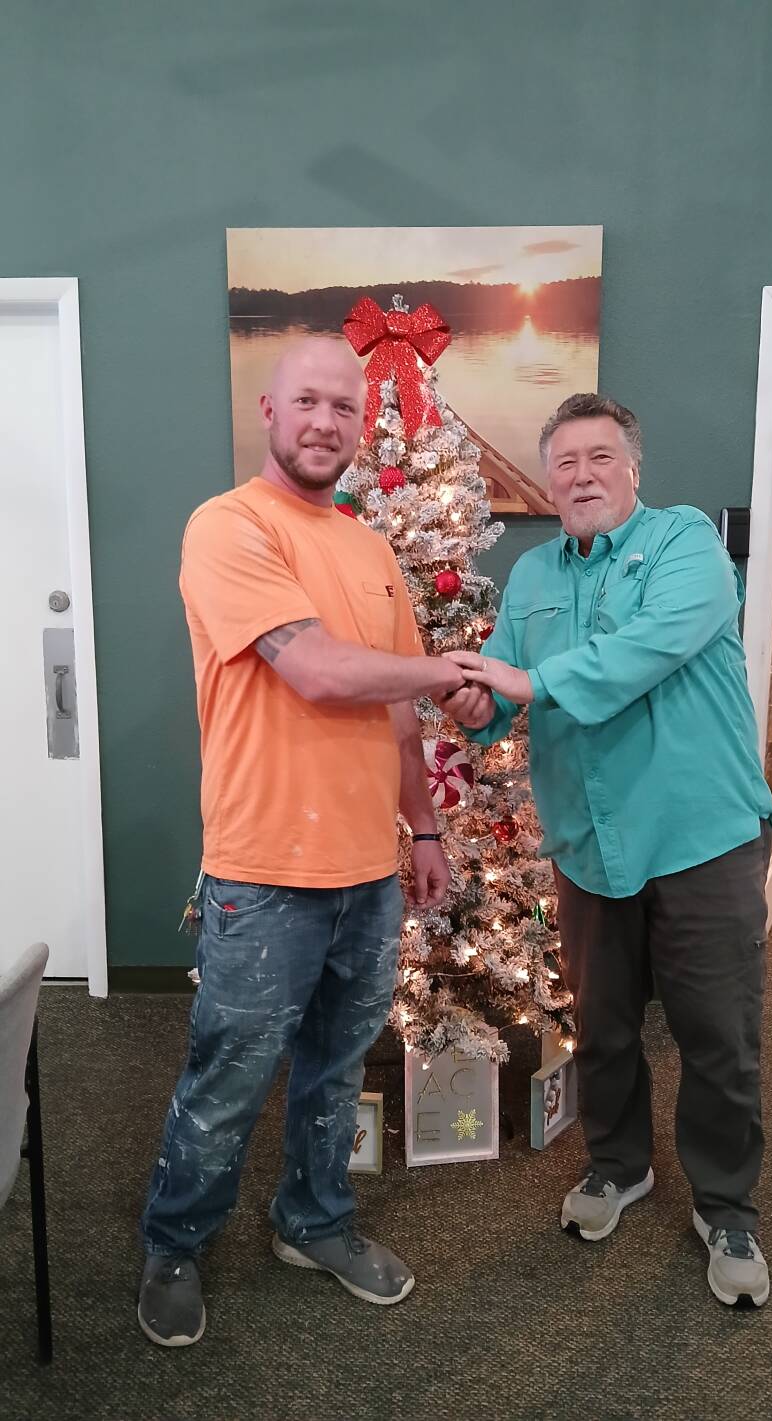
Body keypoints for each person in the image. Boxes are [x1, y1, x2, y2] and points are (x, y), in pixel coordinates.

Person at [138, 336, 466, 1347]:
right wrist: (451, 668)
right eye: (308, 402)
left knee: (335, 1071)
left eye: (344, 406)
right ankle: (174, 1242)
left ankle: (312, 1221)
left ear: (361, 424)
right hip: (264, 869)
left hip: (368, 871)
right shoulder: (227, 526)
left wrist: (421, 825)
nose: (326, 422)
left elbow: (399, 712)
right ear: (270, 412)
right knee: (229, 1076)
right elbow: (319, 671)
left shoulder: (371, 551)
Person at [444, 393, 772, 1309]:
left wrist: (524, 681)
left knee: (719, 1036)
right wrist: (480, 704)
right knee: (603, 1025)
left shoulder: (685, 544)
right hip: (590, 843)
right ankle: (618, 1165)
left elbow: (646, 649)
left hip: (701, 837)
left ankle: (726, 1205)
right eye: (565, 462)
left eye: (600, 457)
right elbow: (504, 691)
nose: (581, 475)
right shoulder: (531, 574)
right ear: (548, 482)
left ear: (633, 468)